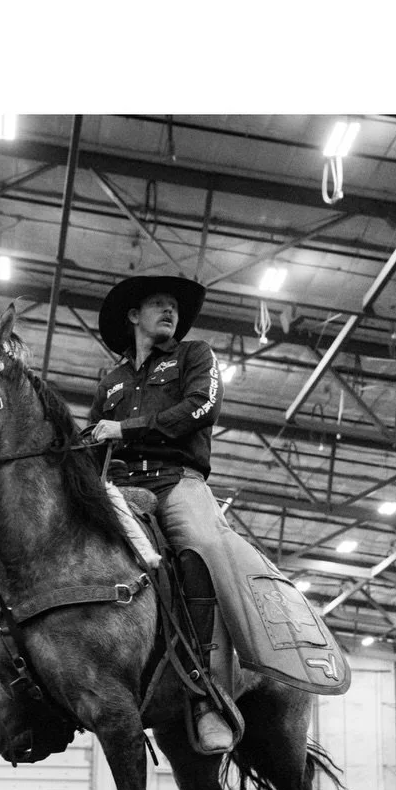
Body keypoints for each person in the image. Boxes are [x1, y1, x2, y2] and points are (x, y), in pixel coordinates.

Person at [85, 274, 349, 755]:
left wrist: (125, 427)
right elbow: (93, 439)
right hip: (120, 487)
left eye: (174, 307)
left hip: (177, 482)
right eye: (158, 305)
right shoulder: (112, 382)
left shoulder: (195, 356)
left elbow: (200, 408)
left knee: (205, 552)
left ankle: (212, 696)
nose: (170, 312)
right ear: (132, 316)